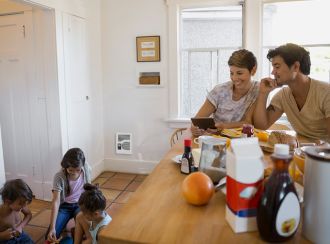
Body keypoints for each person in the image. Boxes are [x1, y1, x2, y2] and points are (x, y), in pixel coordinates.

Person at [253, 43, 330, 142]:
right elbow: (261, 126)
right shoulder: (283, 95)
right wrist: (263, 93)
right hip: (300, 152)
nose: (273, 72)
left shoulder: (326, 93)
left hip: (324, 154)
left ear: (295, 67)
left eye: (277, 67)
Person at [191, 49, 259, 136]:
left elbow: (248, 122)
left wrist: (224, 126)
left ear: (253, 70)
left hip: (241, 142)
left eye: (239, 73)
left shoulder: (258, 90)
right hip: (215, 139)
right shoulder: (219, 91)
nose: (234, 78)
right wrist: (195, 128)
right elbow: (197, 120)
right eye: (231, 73)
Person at [47, 148, 91, 243]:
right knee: (50, 237)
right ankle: (67, 229)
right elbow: (56, 201)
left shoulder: (86, 168)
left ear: (82, 166)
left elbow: (88, 188)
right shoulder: (59, 176)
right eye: (71, 170)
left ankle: (75, 230)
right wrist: (52, 228)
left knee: (87, 232)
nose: (74, 172)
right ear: (65, 166)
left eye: (78, 170)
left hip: (80, 205)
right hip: (64, 207)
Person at [0, 179, 33, 244]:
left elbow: (29, 215)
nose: (24, 207)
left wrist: (20, 227)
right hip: (5, 240)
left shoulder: (20, 207)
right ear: (8, 200)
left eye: (25, 203)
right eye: (21, 203)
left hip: (20, 235)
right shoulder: (1, 213)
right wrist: (2, 236)